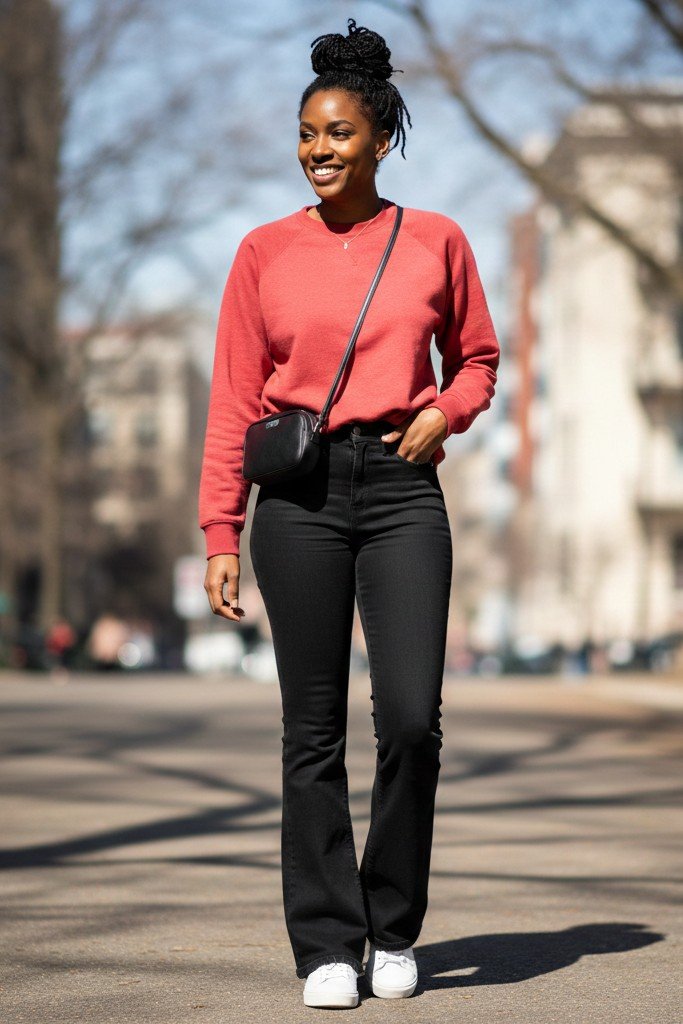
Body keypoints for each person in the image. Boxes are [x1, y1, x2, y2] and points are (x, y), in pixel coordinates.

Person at [198, 18, 500, 1009]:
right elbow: (236, 395)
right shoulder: (262, 252)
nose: (316, 150)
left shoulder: (434, 241)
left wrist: (442, 412)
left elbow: (478, 360)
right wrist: (219, 531)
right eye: (305, 134)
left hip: (403, 489)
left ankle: (392, 922)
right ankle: (326, 940)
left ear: (378, 138)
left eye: (335, 133)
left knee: (411, 720)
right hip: (298, 498)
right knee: (311, 728)